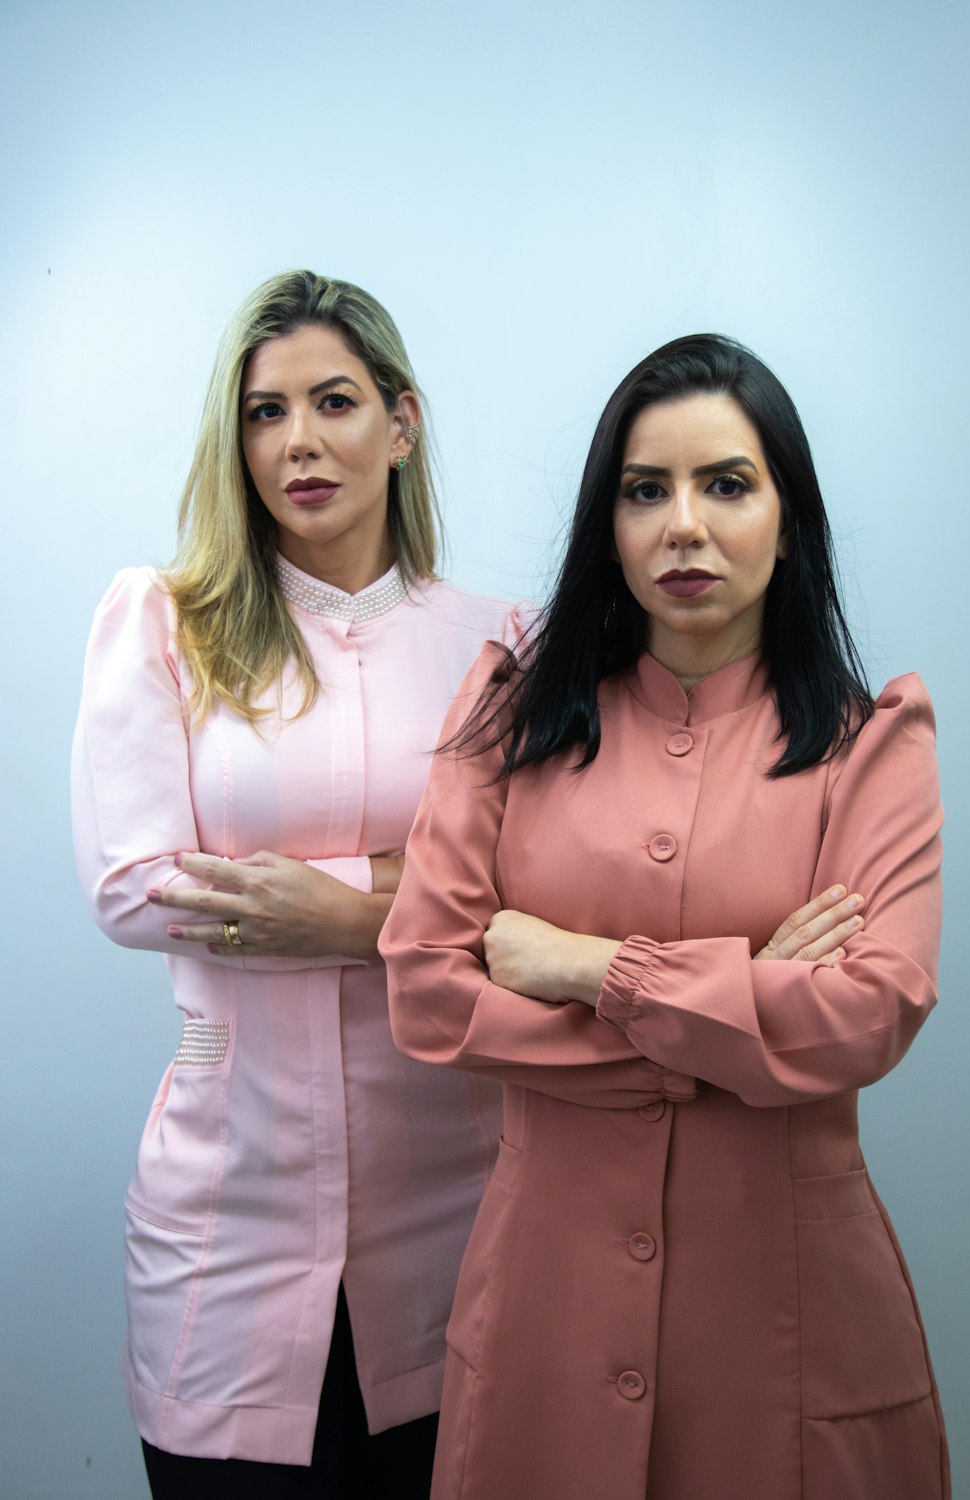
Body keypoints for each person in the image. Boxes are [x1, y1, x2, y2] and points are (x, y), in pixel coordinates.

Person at [381, 334, 949, 1500]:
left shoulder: (870, 746)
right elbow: (429, 994)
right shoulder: (506, 721)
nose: (681, 525)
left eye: (726, 484)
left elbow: (869, 1013)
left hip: (787, 1322)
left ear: (789, 520)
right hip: (548, 1307)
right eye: (645, 491)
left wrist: (585, 965)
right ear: (609, 524)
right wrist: (744, 1002)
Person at [71, 270, 531, 1498]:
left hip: (453, 1194)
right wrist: (422, 897)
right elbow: (136, 886)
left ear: (402, 420)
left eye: (333, 401)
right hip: (229, 1210)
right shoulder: (168, 624)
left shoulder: (502, 645)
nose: (298, 441)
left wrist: (339, 913)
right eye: (264, 412)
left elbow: (539, 898)